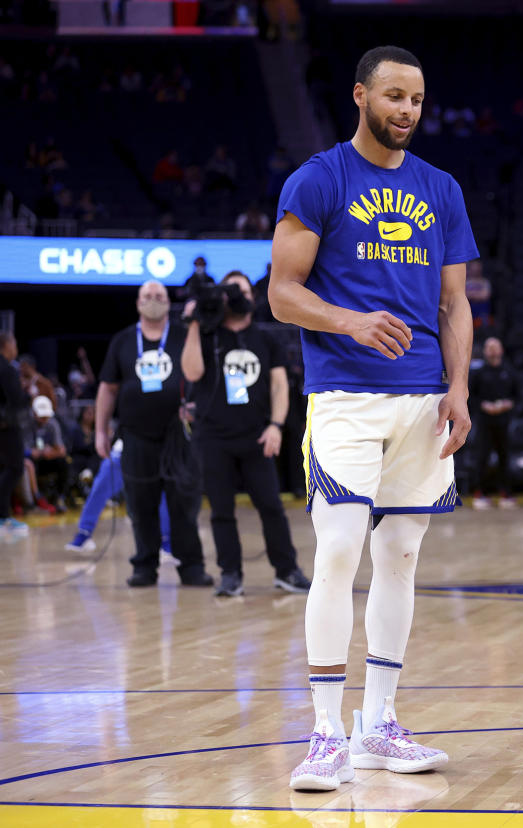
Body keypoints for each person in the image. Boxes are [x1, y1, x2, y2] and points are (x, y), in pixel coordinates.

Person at [269, 45, 477, 792]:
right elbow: (282, 293)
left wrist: (458, 388)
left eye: (417, 100)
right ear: (361, 96)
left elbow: (455, 304)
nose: (407, 112)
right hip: (346, 396)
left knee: (402, 559)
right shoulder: (319, 179)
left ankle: (377, 725)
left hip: (425, 400)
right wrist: (353, 323)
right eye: (393, 96)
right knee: (337, 553)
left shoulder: (441, 189)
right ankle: (325, 732)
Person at [181, 270, 310, 597]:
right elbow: (192, 372)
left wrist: (276, 426)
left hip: (257, 435)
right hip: (213, 437)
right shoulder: (208, 336)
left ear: (253, 298)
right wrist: (195, 323)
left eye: (242, 290)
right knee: (221, 511)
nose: (237, 296)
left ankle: (286, 570)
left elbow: (280, 385)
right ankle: (231, 574)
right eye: (230, 290)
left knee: (271, 506)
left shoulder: (266, 339)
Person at [96, 280, 212, 588]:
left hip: (178, 436)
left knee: (184, 503)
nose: (153, 300)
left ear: (167, 302)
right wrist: (99, 431)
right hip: (135, 436)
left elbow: (200, 376)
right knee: (140, 505)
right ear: (137, 303)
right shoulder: (122, 341)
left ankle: (192, 567)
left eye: (159, 296)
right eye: (147, 296)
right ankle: (144, 567)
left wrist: (195, 407)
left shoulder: (182, 335)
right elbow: (108, 389)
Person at [66, 437, 170, 556]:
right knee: (100, 486)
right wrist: (101, 433)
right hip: (124, 448)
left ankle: (166, 538)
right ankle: (84, 532)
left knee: (162, 492)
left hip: (155, 449)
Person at [468, 336, 518, 509]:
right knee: (482, 457)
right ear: (485, 351)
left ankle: (506, 494)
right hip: (485, 421)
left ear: (501, 350)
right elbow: (471, 397)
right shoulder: (479, 373)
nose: (492, 349)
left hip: (504, 421)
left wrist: (507, 404)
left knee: (505, 457)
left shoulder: (509, 371)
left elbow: (517, 395)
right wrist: (484, 405)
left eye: (495, 346)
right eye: (489, 347)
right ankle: (479, 494)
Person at [0, 333, 28, 537]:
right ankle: (3, 517)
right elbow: (16, 399)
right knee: (15, 467)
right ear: (6, 345)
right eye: (15, 343)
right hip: (7, 426)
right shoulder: (8, 369)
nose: (16, 348)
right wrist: (28, 394)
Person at [28, 395, 69, 512]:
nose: (44, 419)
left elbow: (61, 450)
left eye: (46, 416)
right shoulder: (27, 424)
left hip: (47, 459)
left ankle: (59, 497)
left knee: (63, 463)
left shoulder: (53, 424)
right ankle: (36, 500)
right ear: (34, 413)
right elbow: (29, 451)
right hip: (32, 462)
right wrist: (42, 452)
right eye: (42, 416)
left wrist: (50, 452)